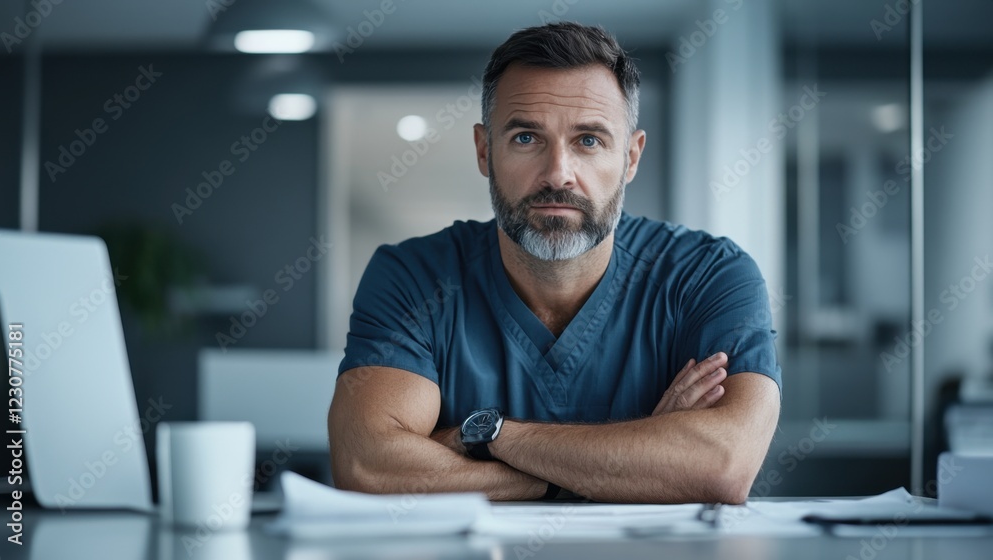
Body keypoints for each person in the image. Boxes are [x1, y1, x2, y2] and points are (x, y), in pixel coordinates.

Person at [329, 22, 781, 504]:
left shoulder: (711, 276)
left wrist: (487, 436)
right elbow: (366, 465)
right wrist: (631, 464)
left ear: (630, 157)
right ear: (485, 151)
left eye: (589, 140)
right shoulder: (413, 276)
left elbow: (721, 467)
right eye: (526, 138)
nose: (557, 174)